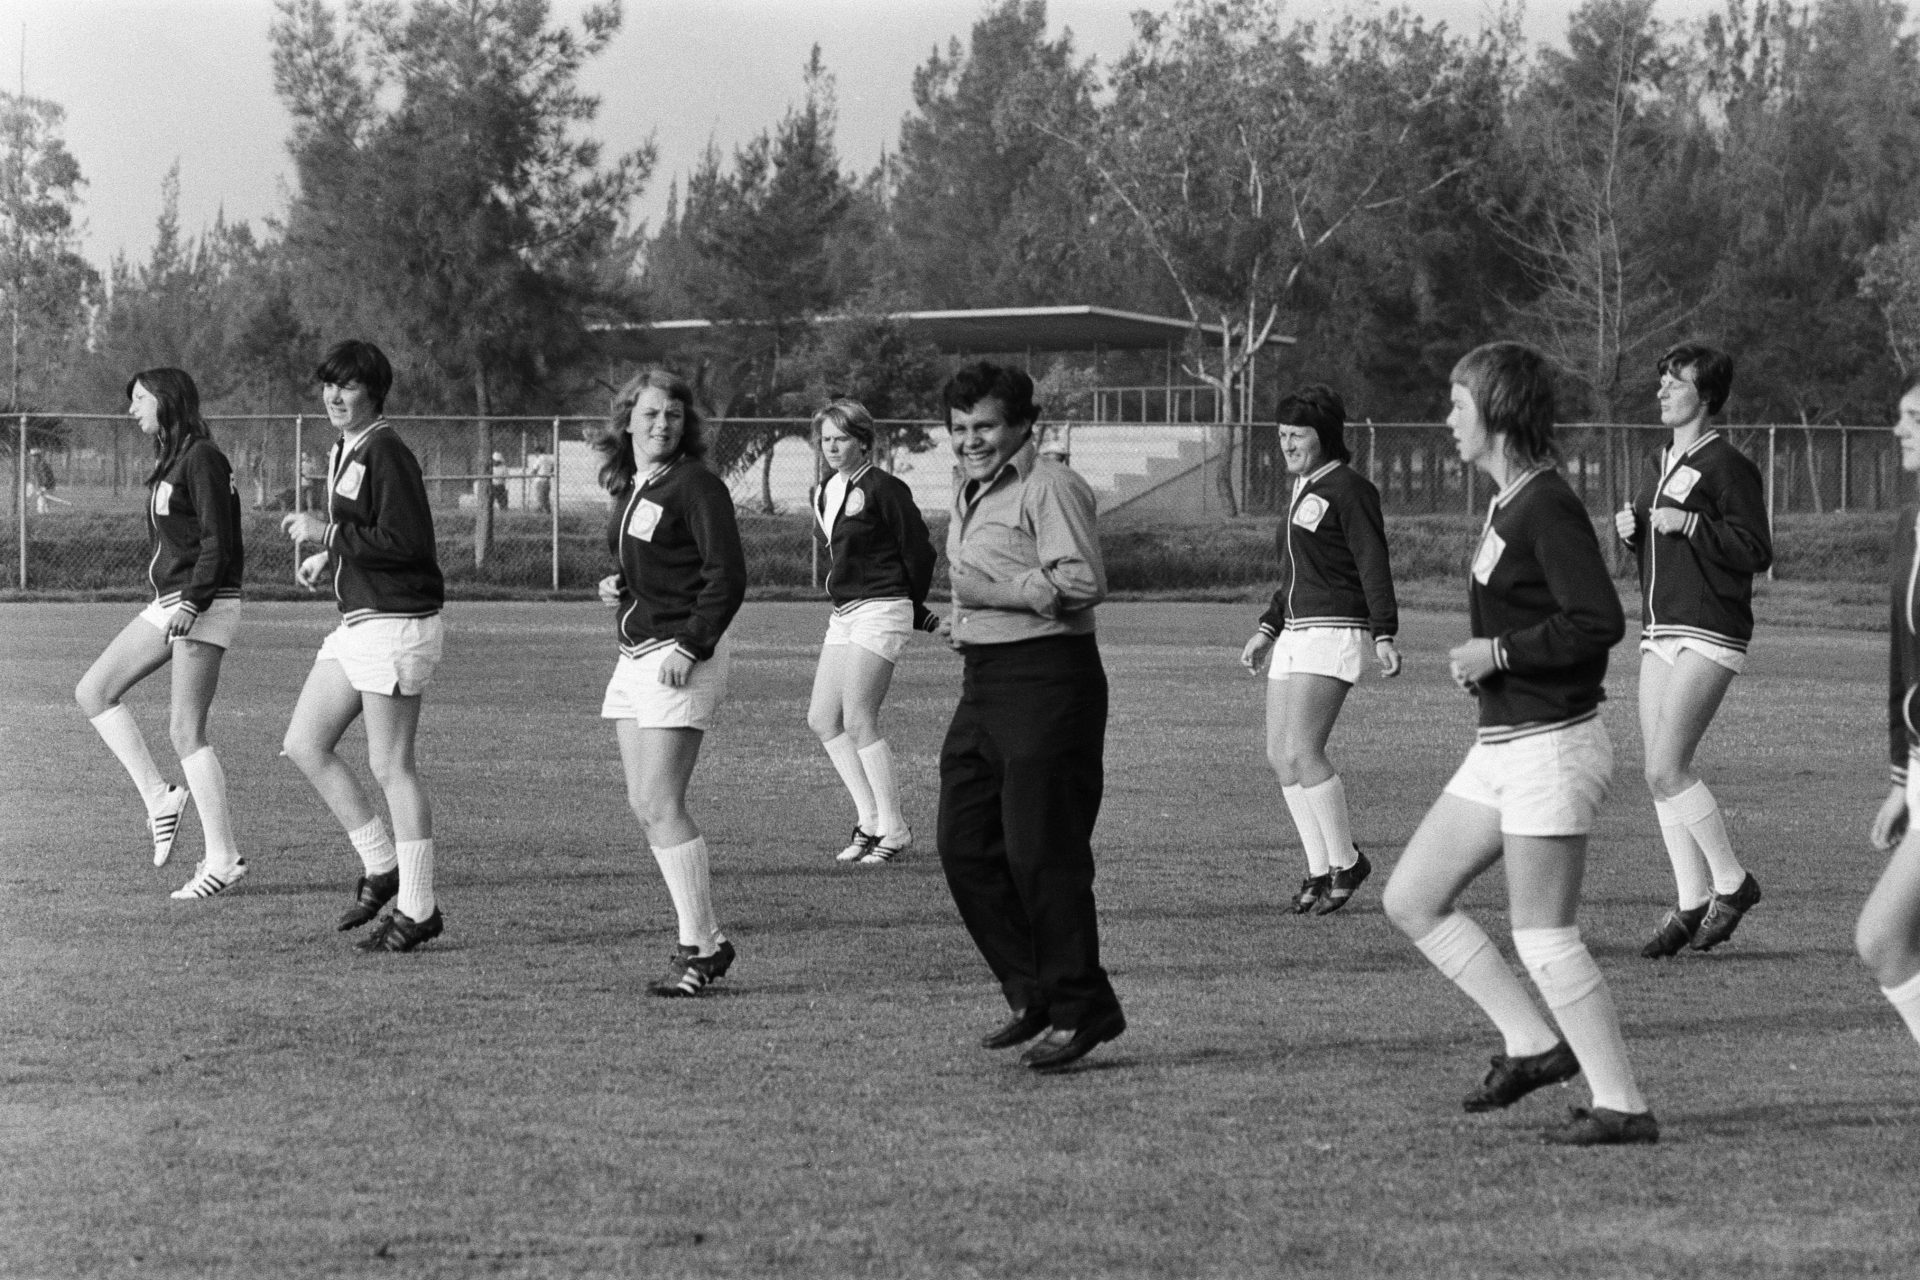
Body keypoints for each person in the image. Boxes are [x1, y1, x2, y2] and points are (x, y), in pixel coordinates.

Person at [1381, 342, 1657, 1146]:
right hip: (1504, 744)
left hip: (1553, 748)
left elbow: (1598, 622)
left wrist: (1496, 654)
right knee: (1411, 899)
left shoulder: (1546, 503)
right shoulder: (1508, 503)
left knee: (1543, 935)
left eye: (1457, 404)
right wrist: (1493, 667)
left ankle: (1624, 1106)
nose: (1446, 420)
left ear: (1496, 410)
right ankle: (1534, 1044)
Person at [937, 361, 1125, 1073]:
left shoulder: (1050, 485)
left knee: (1041, 854)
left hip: (1049, 682)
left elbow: (1083, 582)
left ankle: (1083, 1006)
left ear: (1022, 425)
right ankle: (1035, 992)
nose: (970, 440)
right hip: (984, 682)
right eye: (959, 429)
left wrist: (992, 591)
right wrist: (968, 614)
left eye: (984, 426)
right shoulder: (971, 489)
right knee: (964, 845)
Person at [280, 340, 447, 952]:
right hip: (361, 623)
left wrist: (327, 533)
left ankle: (418, 908)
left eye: (348, 386)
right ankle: (382, 866)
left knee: (391, 766)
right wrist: (332, 555)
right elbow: (372, 533)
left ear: (374, 393)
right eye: (328, 385)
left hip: (397, 623)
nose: (334, 396)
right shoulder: (347, 447)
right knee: (304, 743)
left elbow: (406, 541)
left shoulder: (386, 449)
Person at [1615, 343, 1772, 957]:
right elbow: (1671, 553)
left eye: (1674, 383)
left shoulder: (1726, 464)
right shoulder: (1664, 464)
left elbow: (1755, 549)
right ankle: (1688, 902)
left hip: (1710, 628)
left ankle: (1731, 884)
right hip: (1660, 630)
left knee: (1665, 767)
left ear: (1704, 396)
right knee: (1658, 776)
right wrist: (1635, 537)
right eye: (1661, 381)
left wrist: (1692, 525)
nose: (1661, 391)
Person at [595, 367, 746, 997]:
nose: (662, 424)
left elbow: (726, 576)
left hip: (678, 655)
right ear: (627, 419)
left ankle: (699, 946)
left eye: (674, 415)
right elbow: (657, 565)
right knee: (644, 802)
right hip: (636, 655)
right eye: (651, 413)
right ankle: (705, 942)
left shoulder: (696, 484)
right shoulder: (638, 485)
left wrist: (692, 643)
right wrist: (617, 585)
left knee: (661, 801)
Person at [75, 368, 247, 899]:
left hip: (205, 601)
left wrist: (194, 604)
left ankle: (224, 859)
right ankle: (159, 797)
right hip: (170, 601)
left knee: (184, 731)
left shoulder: (202, 458)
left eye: (141, 399)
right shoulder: (173, 457)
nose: (132, 409)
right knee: (93, 692)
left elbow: (221, 541)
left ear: (167, 400)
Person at [1239, 385, 1400, 915]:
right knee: (1279, 756)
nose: (1286, 445)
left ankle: (1346, 860)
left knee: (1305, 751)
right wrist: (1268, 627)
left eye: (1297, 435)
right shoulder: (1303, 488)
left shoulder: (1350, 488)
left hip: (1334, 630)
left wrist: (1384, 632)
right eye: (1281, 435)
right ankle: (1316, 868)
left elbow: (1372, 562)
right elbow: (1293, 573)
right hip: (1295, 633)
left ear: (1324, 436)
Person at [806, 398, 940, 865]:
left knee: (860, 718)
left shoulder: (886, 488)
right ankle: (870, 822)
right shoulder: (824, 490)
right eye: (825, 439)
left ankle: (896, 828)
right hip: (844, 612)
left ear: (864, 441)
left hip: (882, 608)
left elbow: (919, 554)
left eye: (841, 438)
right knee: (823, 719)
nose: (832, 446)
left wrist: (913, 606)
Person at [1861, 371, 1920, 1052]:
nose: (1899, 429)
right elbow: (1904, 663)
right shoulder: (1910, 523)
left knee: (1882, 937)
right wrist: (1904, 777)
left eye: (1912, 417)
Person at [528, 440, 555, 513]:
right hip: (547, 480)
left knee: (539, 498)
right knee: (546, 498)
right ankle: (547, 511)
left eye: (535, 453)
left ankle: (539, 510)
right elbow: (552, 469)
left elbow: (535, 469)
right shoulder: (549, 458)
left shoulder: (539, 458)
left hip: (539, 481)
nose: (535, 454)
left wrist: (530, 476)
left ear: (538, 452)